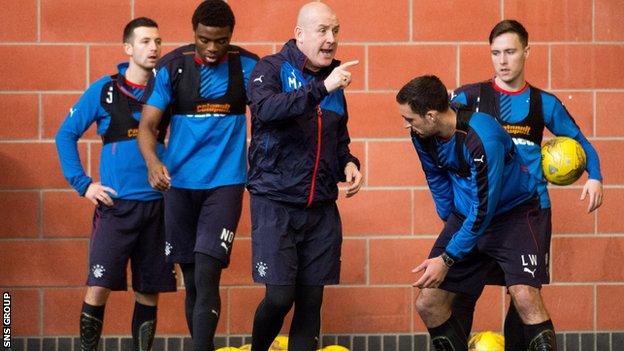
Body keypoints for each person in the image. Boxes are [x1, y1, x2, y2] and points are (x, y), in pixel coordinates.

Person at [450, 19, 604, 350]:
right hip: (482, 210)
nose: (502, 61)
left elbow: (583, 143)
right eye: (495, 53)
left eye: (510, 52)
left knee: (523, 297)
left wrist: (595, 176)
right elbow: (436, 129)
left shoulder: (543, 103)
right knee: (460, 291)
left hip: (530, 212)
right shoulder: (468, 97)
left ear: (526, 52)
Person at [397, 75, 557, 350]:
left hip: (513, 215)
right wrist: (450, 221)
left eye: (411, 118)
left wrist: (447, 258)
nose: (407, 124)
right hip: (467, 215)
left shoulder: (483, 138)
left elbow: (484, 208)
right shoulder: (421, 134)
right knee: (429, 302)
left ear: (432, 115)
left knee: (524, 297)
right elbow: (435, 176)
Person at [137, 1, 258, 349]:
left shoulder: (248, 66)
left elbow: (273, 112)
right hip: (178, 187)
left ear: (230, 36)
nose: (212, 47)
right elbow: (147, 126)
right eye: (205, 39)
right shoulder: (172, 67)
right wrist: (152, 163)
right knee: (191, 281)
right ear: (195, 34)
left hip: (225, 185)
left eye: (220, 40)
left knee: (207, 276)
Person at [246, 2, 362, 350]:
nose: (331, 39)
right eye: (323, 30)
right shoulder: (271, 68)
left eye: (336, 31)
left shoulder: (333, 81)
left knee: (311, 302)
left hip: (321, 208)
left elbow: (338, 138)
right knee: (280, 298)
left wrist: (349, 163)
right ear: (299, 35)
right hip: (275, 202)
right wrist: (322, 88)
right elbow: (266, 109)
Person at [55, 17, 176, 351]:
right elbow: (65, 134)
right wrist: (84, 185)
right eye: (145, 41)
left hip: (158, 208)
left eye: (158, 41)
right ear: (128, 48)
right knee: (98, 286)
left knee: (148, 290)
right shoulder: (104, 90)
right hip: (115, 208)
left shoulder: (166, 90)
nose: (154, 48)